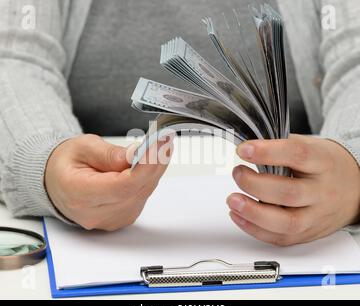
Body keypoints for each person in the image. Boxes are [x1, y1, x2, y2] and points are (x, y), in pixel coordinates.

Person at [0, 0, 359, 245]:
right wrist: (44, 162)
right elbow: (14, 58)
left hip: (307, 243)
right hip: (81, 238)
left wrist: (354, 166)